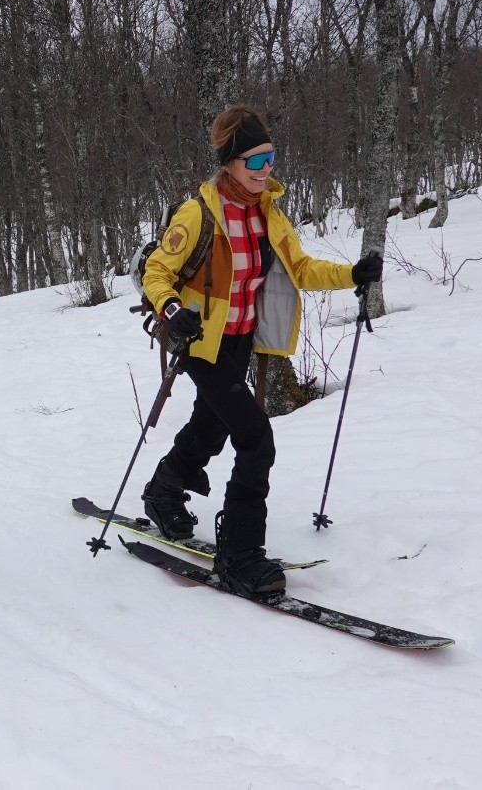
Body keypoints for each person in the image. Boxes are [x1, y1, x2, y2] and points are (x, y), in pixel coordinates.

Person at [139, 105, 382, 598]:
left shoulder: (269, 213)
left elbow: (303, 268)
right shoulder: (198, 214)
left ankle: (163, 492)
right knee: (255, 437)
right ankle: (240, 553)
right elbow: (157, 273)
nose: (266, 168)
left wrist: (351, 275)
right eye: (254, 160)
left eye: (270, 156)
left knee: (209, 427)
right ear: (229, 163)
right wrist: (170, 310)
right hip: (200, 343)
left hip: (241, 341)